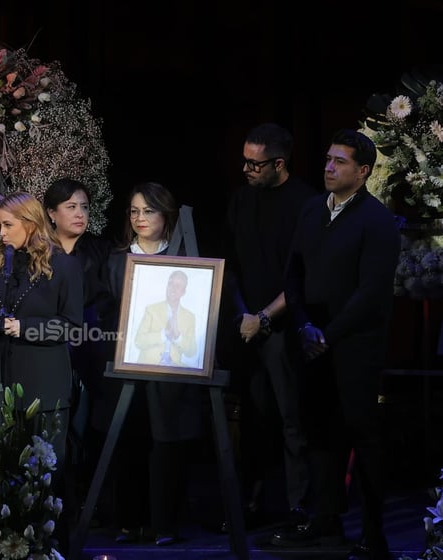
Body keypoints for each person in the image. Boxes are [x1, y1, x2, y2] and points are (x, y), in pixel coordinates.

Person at [270, 129, 400, 560]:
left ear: (362, 172)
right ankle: (324, 521)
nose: (329, 167)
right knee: (318, 435)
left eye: (339, 162)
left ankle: (373, 533)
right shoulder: (311, 210)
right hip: (311, 341)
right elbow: (293, 274)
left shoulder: (377, 221)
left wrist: (329, 335)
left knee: (363, 438)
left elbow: (372, 292)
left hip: (353, 347)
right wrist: (306, 326)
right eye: (327, 159)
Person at [0, 191, 84, 554]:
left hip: (44, 384)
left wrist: (27, 328)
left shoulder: (63, 265)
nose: (1, 233)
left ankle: (50, 546)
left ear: (31, 224)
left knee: (47, 474)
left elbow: (72, 327)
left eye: (8, 225)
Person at [222, 122, 317, 530]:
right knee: (251, 417)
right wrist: (245, 314)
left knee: (292, 419)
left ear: (279, 164)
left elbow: (306, 276)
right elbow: (232, 265)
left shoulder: (307, 204)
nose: (246, 169)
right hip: (247, 326)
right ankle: (249, 501)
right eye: (244, 161)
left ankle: (300, 506)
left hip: (285, 327)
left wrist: (264, 317)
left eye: (254, 164)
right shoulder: (242, 200)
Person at [100, 182, 202, 546]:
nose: (140, 218)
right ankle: (129, 522)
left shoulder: (186, 260)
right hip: (126, 366)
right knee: (127, 440)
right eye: (134, 211)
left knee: (167, 443)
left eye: (149, 211)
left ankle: (164, 524)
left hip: (170, 373)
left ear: (166, 215)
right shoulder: (115, 259)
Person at [42, 177, 112, 519]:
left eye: (84, 206)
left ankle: (90, 496)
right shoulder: (39, 252)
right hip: (50, 349)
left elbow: (108, 300)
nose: (80, 213)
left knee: (91, 421)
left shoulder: (99, 250)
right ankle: (53, 496)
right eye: (71, 207)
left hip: (91, 348)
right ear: (52, 214)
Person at [134, 269, 197, 366]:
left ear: (183, 292)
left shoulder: (190, 317)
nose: (173, 288)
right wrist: (163, 334)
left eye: (178, 286)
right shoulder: (151, 310)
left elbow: (191, 351)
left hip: (174, 369)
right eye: (170, 284)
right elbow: (138, 341)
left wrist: (178, 336)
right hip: (148, 366)